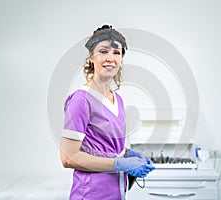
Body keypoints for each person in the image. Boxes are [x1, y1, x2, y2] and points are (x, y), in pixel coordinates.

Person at [59, 25, 155, 200]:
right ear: (91, 58)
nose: (110, 58)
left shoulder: (117, 99)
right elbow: (68, 157)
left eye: (116, 53)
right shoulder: (81, 100)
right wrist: (120, 163)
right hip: (91, 193)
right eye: (103, 51)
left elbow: (102, 145)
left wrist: (127, 154)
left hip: (116, 191)